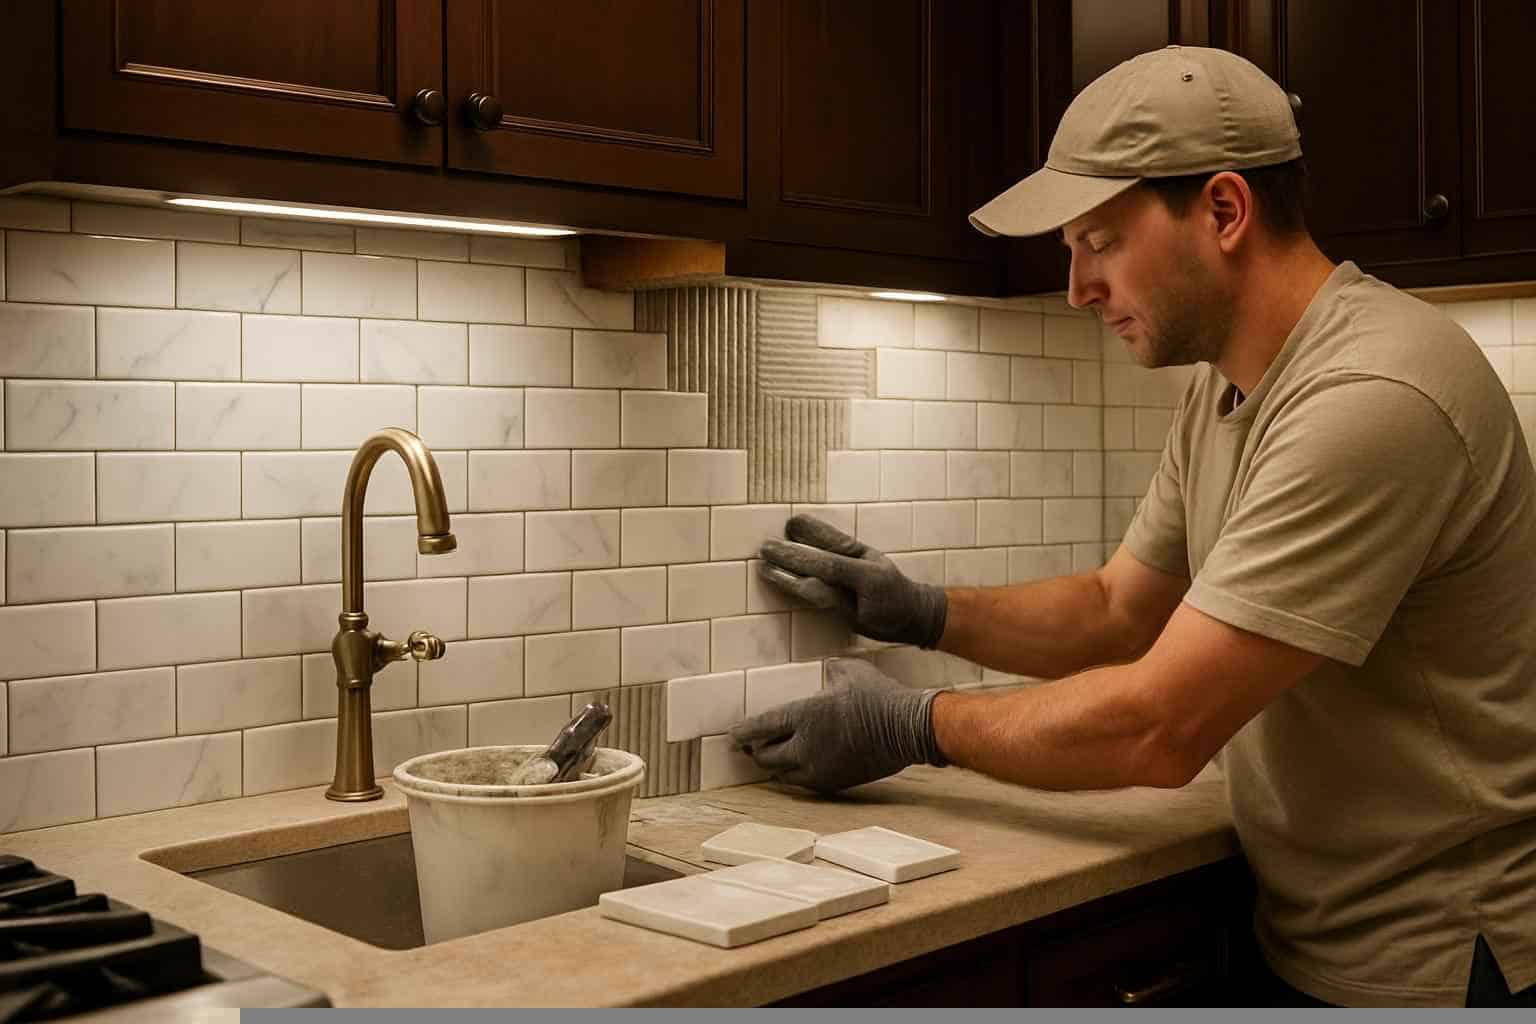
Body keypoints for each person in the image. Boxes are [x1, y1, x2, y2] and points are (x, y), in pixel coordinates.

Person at [729, 46, 1536, 1008]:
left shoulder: (1371, 396)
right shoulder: (1230, 383)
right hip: (1316, 926)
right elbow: (1122, 608)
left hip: (1449, 959)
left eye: (1099, 242)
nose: (1076, 287)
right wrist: (925, 613)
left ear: (1225, 211)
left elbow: (1162, 726)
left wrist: (914, 723)